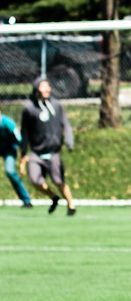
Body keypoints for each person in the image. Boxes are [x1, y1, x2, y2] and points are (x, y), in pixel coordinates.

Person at [20, 77, 76, 215]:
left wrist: (69, 140)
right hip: (36, 153)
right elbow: (25, 133)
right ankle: (53, 196)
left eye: (47, 87)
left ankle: (71, 205)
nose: (46, 90)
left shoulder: (56, 106)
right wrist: (23, 153)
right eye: (42, 87)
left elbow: (65, 124)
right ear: (36, 89)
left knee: (59, 181)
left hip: (53, 152)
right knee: (34, 180)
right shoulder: (29, 109)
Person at [0, 110, 32, 208]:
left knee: (10, 171)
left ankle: (26, 200)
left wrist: (23, 154)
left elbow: (19, 138)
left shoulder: (7, 123)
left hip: (9, 150)